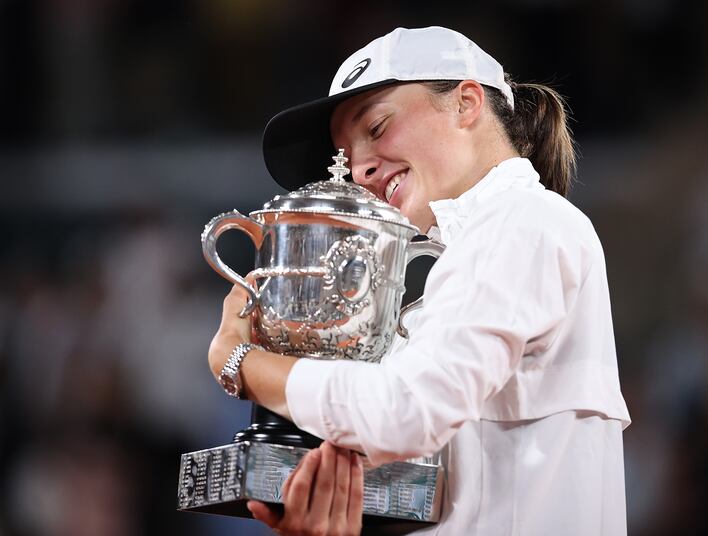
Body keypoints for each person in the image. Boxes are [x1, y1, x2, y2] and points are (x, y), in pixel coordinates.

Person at [208, 26, 631, 535]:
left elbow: (403, 412)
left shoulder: (526, 219)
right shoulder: (443, 273)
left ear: (466, 103)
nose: (357, 169)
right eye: (342, 153)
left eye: (377, 128)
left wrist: (241, 361)